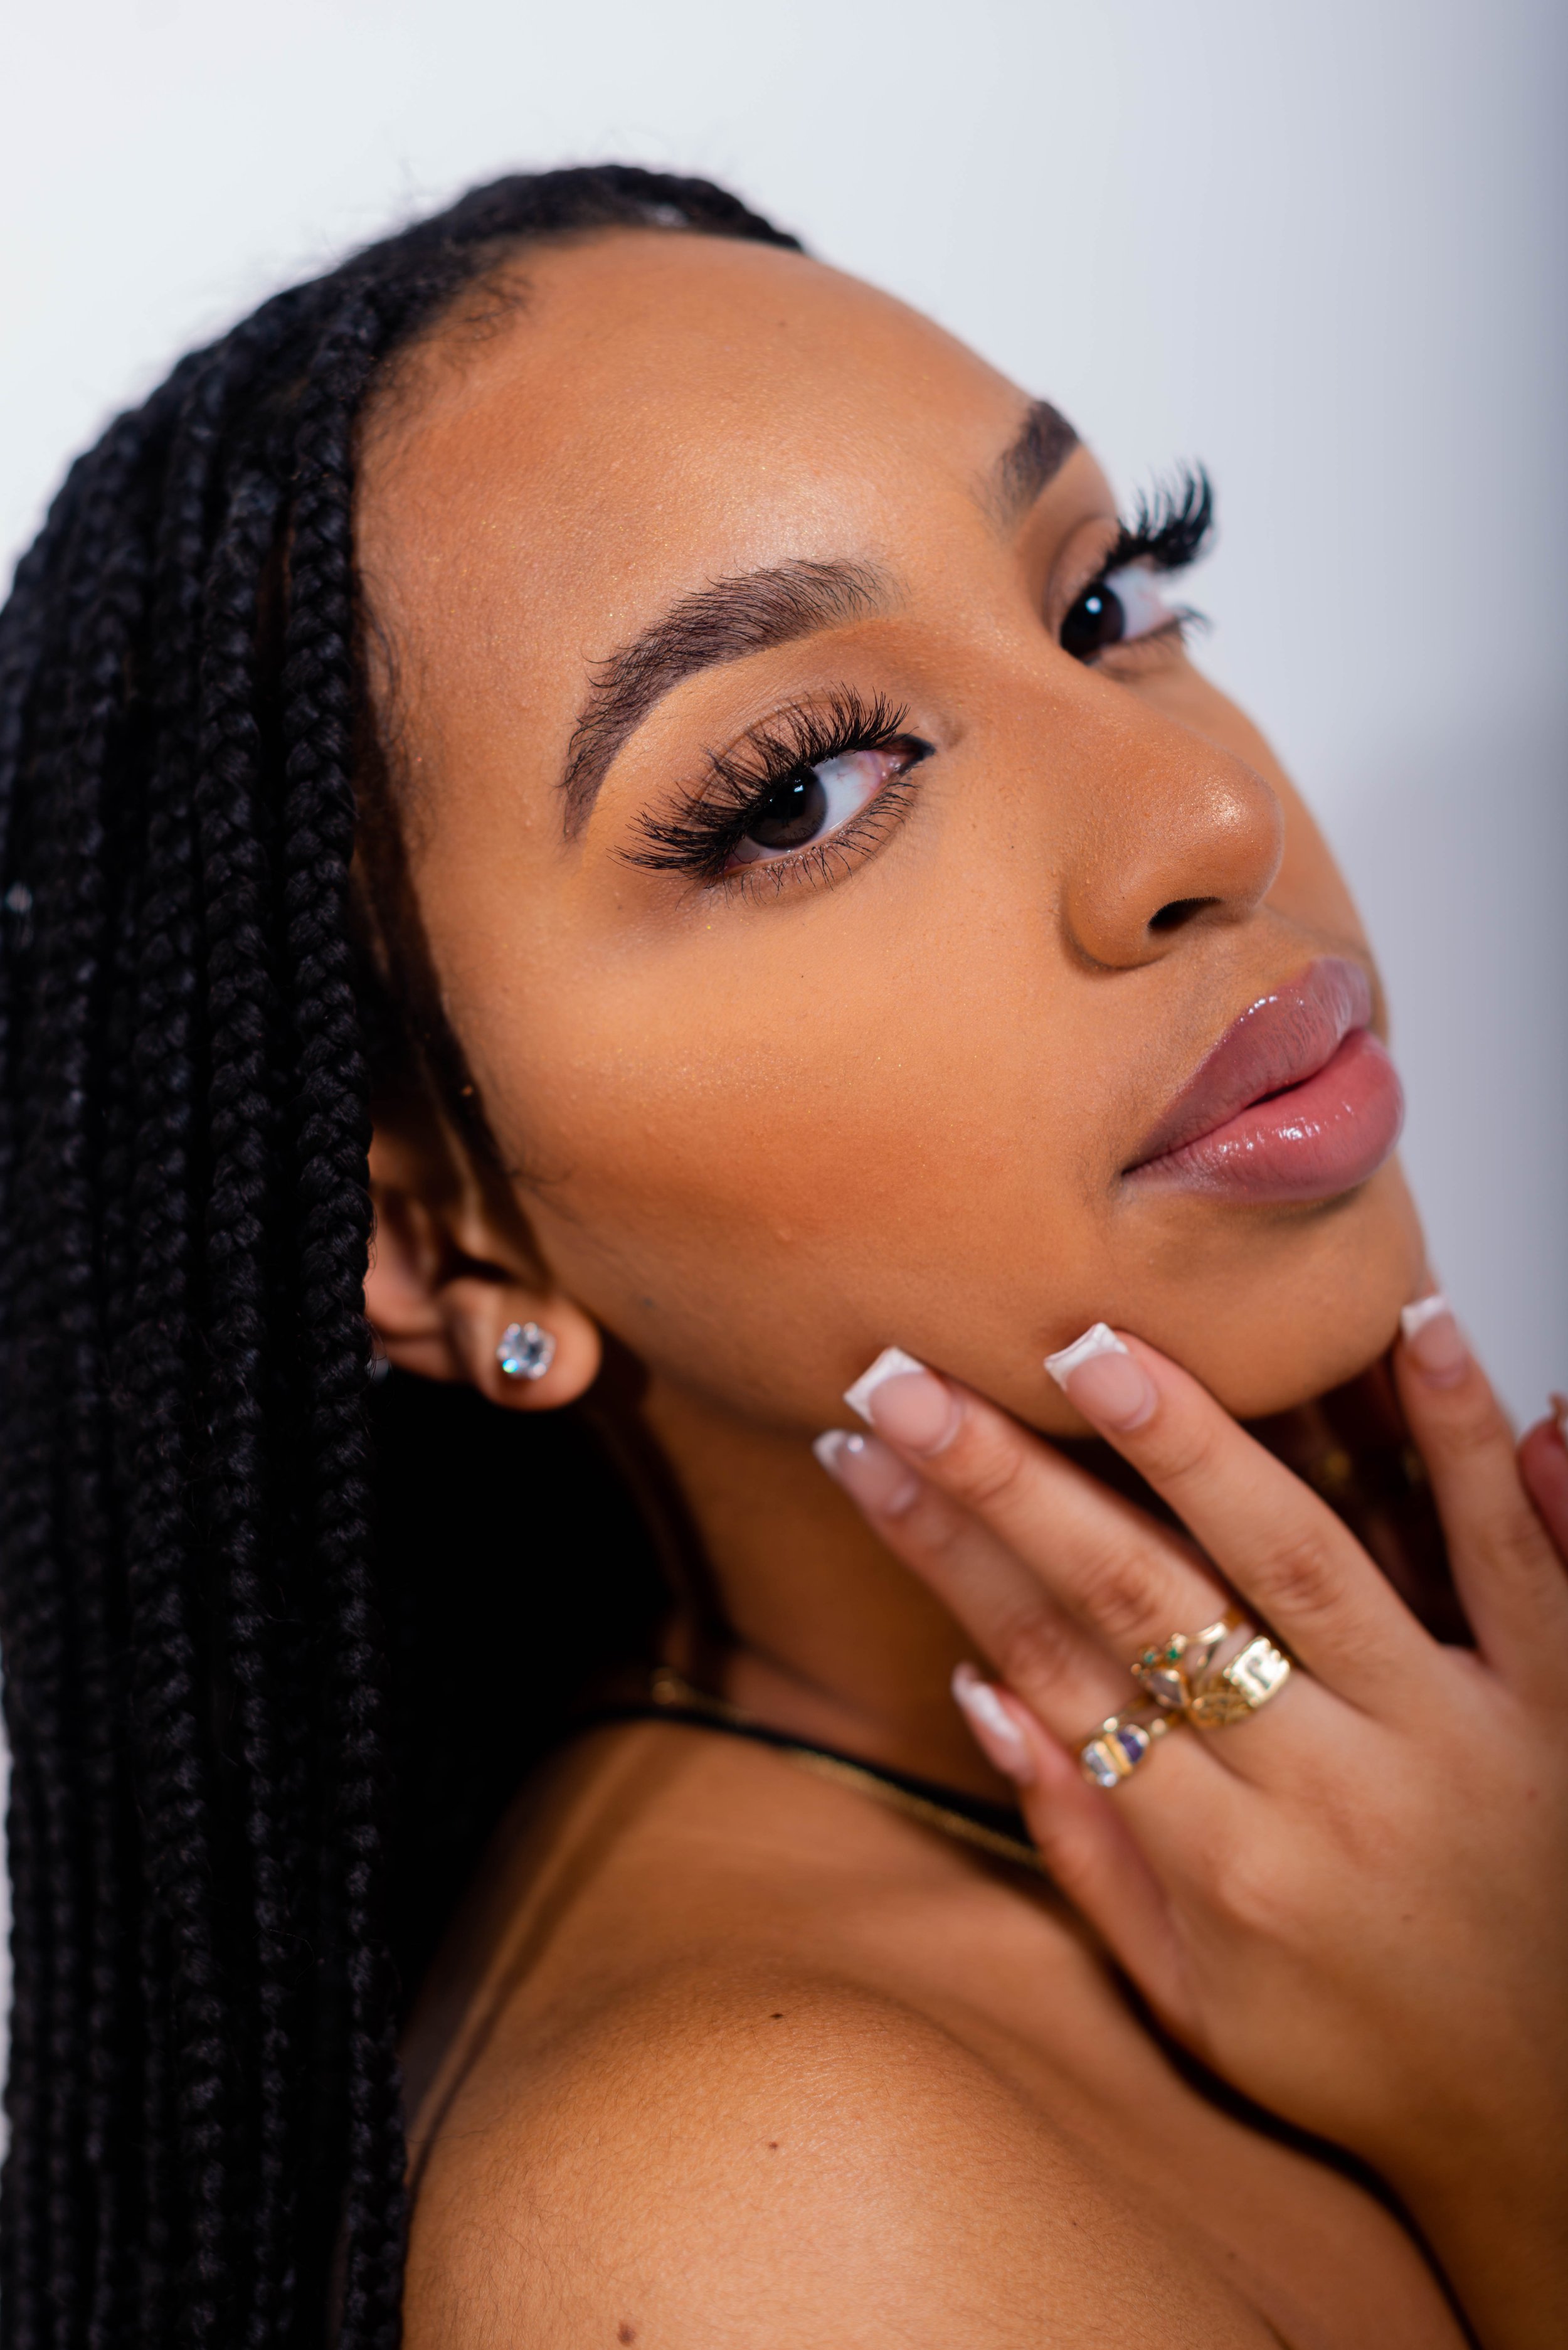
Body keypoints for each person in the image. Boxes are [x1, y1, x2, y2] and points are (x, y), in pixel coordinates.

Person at [0, 163, 1562, 2350]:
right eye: (804, 789)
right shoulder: (763, 2218)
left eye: (1101, 602)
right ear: (423, 1231)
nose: (1203, 825)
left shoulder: (1456, 1787)